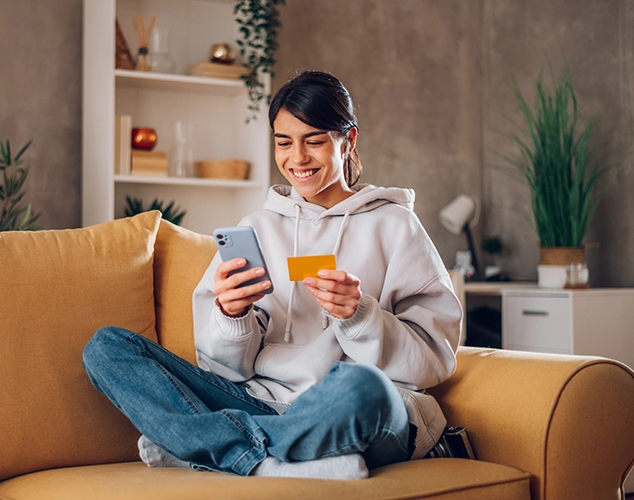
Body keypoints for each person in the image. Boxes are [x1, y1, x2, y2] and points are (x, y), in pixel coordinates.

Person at [83, 70, 462, 480]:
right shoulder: (259, 228)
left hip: (351, 409)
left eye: (314, 141)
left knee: (361, 385)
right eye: (284, 142)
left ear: (348, 140)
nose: (297, 158)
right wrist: (231, 316)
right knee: (106, 348)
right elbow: (226, 373)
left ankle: (210, 447)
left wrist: (361, 314)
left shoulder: (396, 226)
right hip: (263, 403)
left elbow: (433, 359)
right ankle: (274, 460)